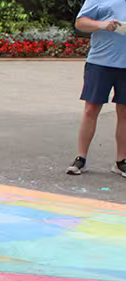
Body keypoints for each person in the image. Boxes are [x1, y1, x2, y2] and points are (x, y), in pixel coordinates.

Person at [67, 0, 126, 178]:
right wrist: (102, 24)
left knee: (124, 113)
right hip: (100, 62)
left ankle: (121, 161)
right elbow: (80, 23)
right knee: (91, 109)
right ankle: (81, 158)